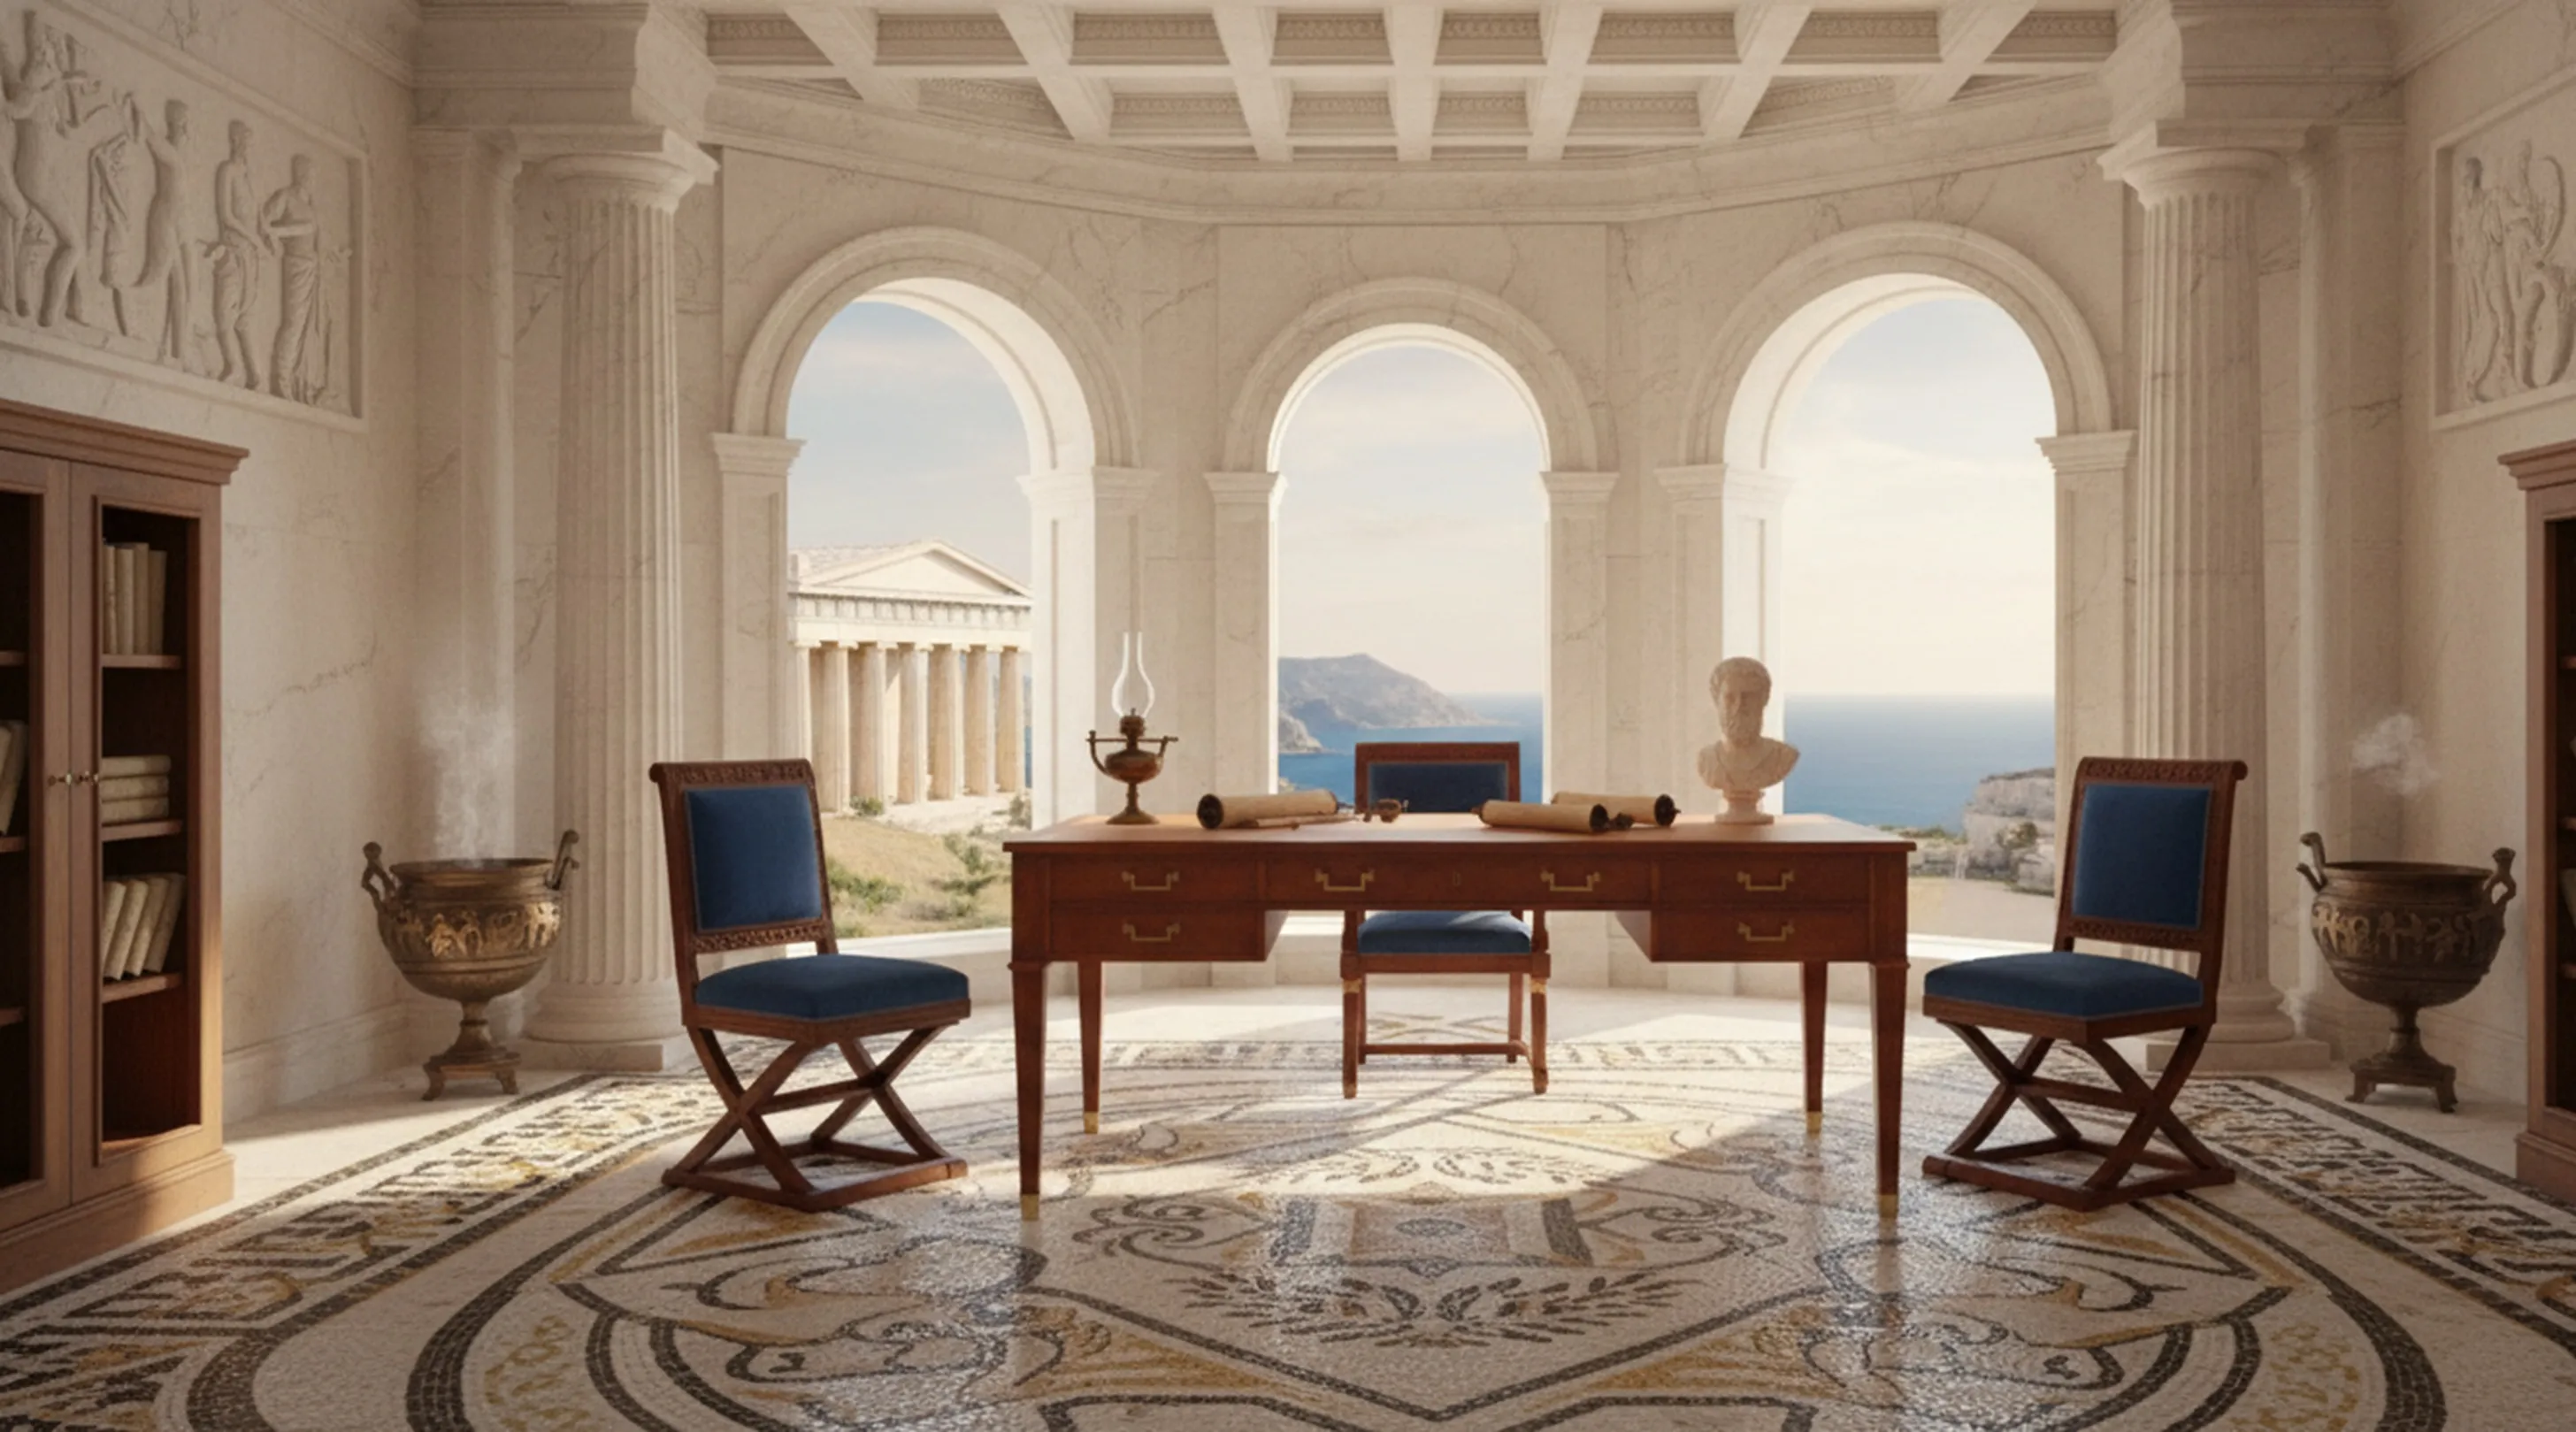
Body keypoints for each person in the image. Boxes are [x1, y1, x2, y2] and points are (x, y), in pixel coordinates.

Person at [1695, 656, 1798, 824]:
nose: (1738, 708)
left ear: (1763, 700)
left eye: (1748, 698)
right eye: (1730, 698)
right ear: (1717, 702)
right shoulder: (1707, 760)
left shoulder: (1781, 757)